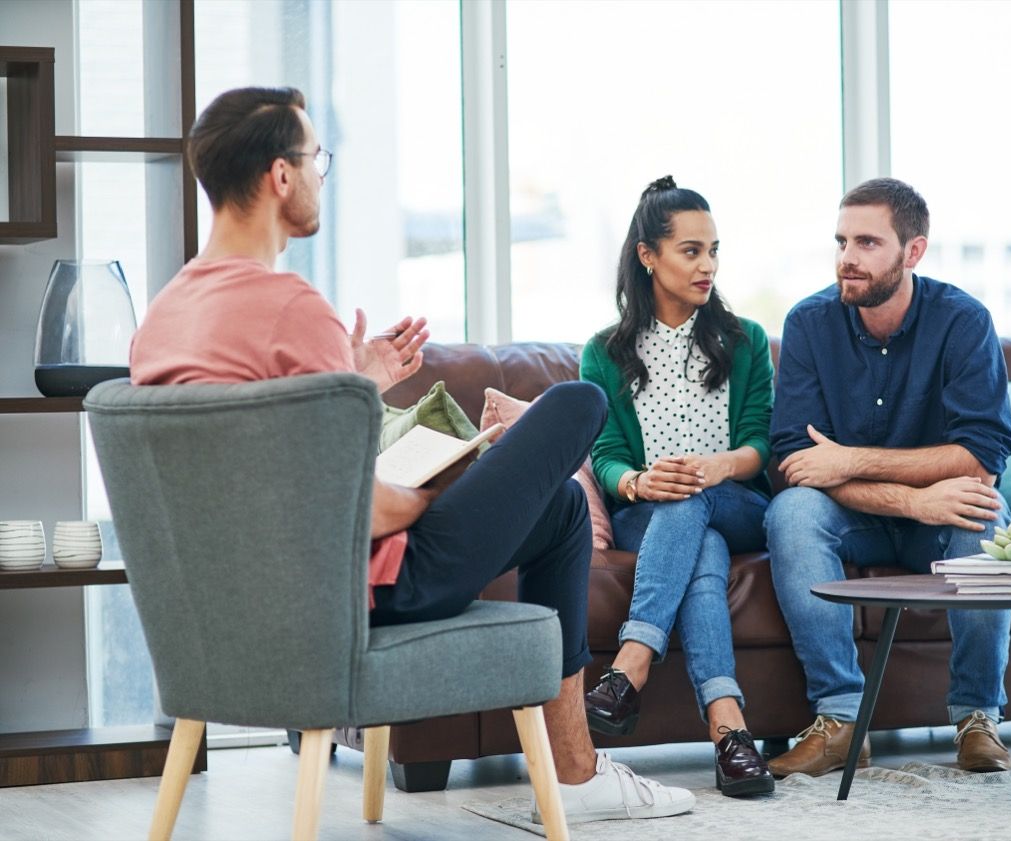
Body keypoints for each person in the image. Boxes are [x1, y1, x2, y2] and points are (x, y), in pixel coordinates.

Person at [129, 86, 695, 825]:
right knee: (578, 404)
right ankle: (577, 776)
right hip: (362, 595)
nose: (321, 173)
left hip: (244, 615)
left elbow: (265, 466)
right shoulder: (291, 308)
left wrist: (354, 382)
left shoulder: (164, 317)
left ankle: (576, 772)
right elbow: (353, 508)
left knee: (557, 507)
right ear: (280, 177)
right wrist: (453, 480)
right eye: (316, 158)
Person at [764, 177, 1011, 778]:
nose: (847, 258)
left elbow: (982, 453)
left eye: (868, 243)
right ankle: (841, 720)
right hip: (853, 515)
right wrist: (914, 500)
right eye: (842, 240)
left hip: (940, 511)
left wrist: (852, 459)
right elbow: (795, 462)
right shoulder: (808, 323)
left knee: (983, 512)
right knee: (793, 512)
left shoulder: (963, 321)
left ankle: (977, 717)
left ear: (913, 251)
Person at [580, 176, 775, 797]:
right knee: (703, 553)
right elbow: (606, 455)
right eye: (691, 251)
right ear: (648, 255)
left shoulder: (745, 340)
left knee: (694, 502)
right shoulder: (605, 352)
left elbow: (762, 445)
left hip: (737, 500)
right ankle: (730, 731)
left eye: (713, 250)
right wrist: (637, 480)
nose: (707, 265)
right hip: (652, 512)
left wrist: (717, 467)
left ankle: (630, 665)